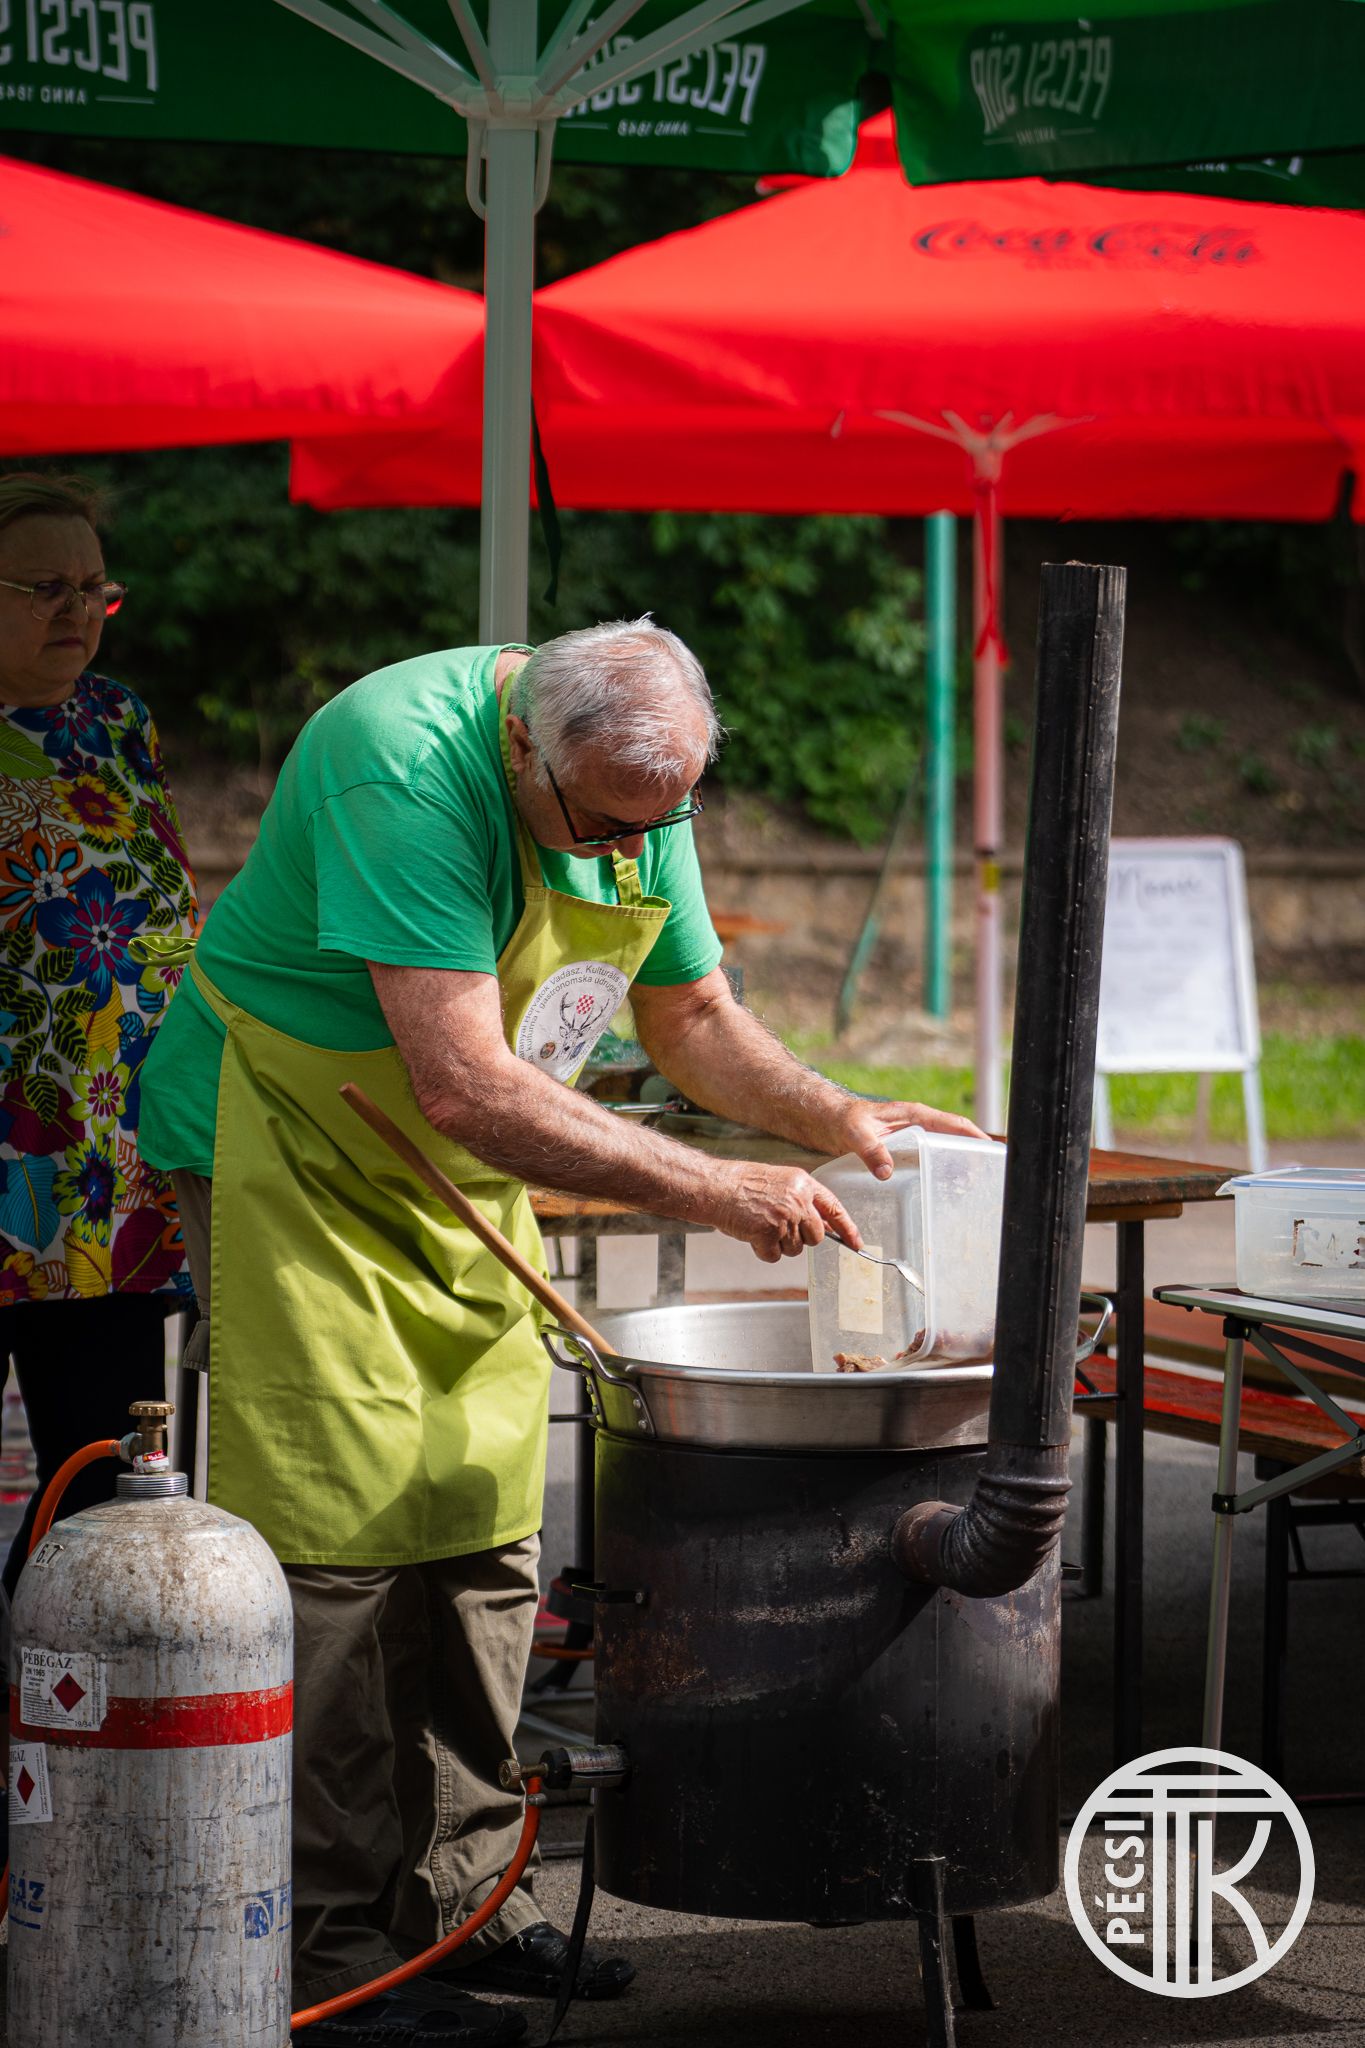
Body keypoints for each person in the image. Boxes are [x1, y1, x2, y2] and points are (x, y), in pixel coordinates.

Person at [139, 619, 979, 2048]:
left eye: (661, 824)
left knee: (479, 1529)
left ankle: (466, 1898)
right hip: (296, 1145)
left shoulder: (638, 784)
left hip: (456, 1170)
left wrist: (832, 1114)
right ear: (524, 747)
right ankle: (329, 1949)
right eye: (602, 826)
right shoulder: (401, 766)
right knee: (338, 1545)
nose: (627, 853)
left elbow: (691, 1012)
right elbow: (464, 1082)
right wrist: (714, 1188)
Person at [0, 471, 197, 1599]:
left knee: (101, 1478)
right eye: (45, 589)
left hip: (108, 1172)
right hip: (11, 1146)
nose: (77, 610)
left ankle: (51, 1674)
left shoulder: (116, 719)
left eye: (94, 588)